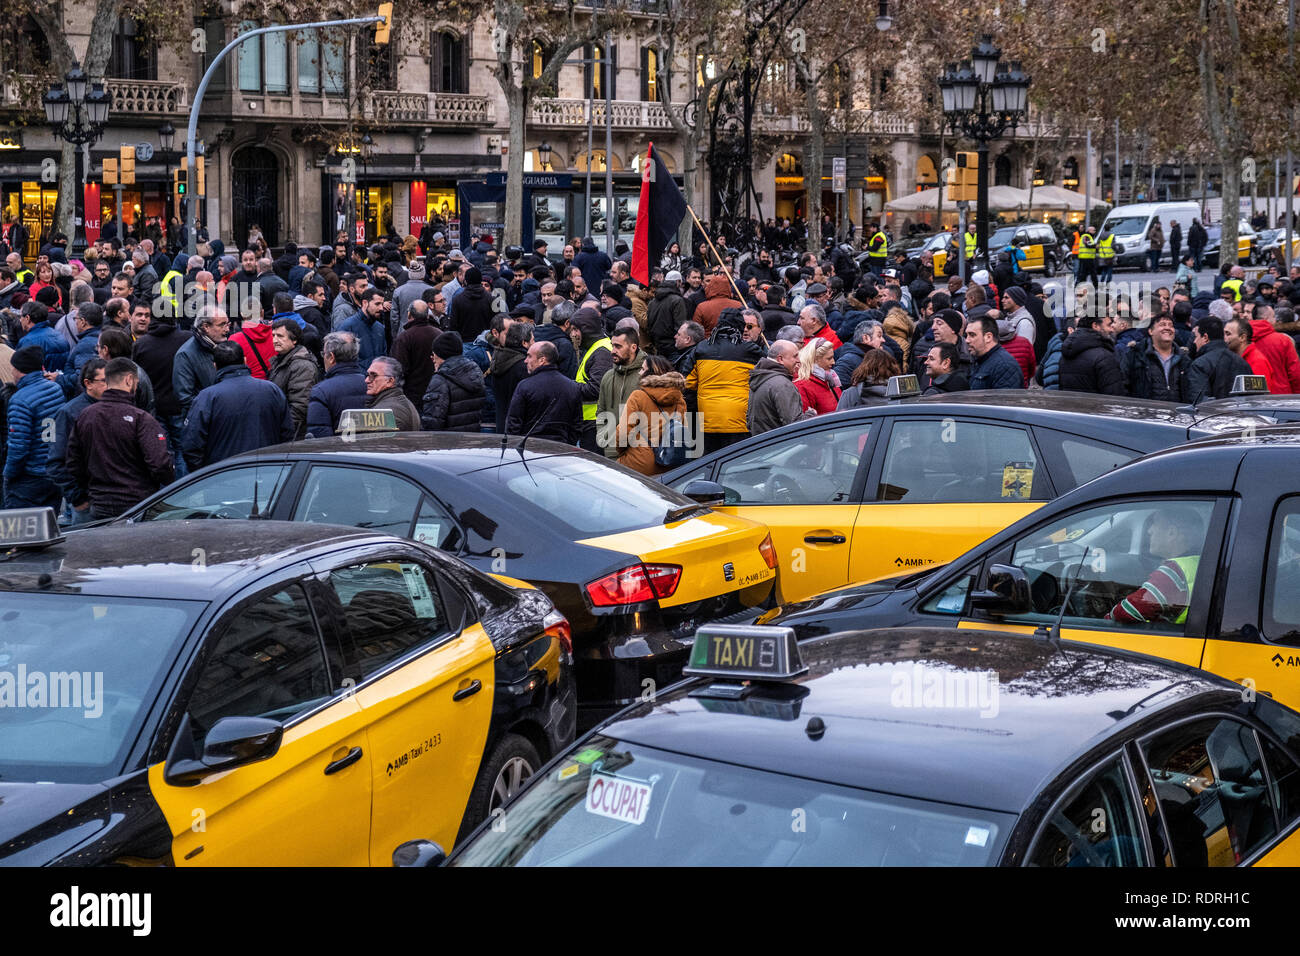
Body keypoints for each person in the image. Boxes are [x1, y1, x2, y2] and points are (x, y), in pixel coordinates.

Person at [66, 357, 173, 520]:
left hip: (100, 505)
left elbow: (74, 462)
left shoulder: (86, 416)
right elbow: (160, 464)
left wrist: (89, 489)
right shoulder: (141, 418)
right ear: (129, 380)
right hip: (138, 505)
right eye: (136, 382)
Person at [182, 342, 293, 470]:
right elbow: (287, 432)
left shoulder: (207, 397)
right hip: (267, 472)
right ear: (245, 361)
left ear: (215, 366)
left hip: (223, 476)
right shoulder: (272, 390)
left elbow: (191, 444)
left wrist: (205, 475)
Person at [681, 310, 764, 453]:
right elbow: (764, 378)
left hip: (706, 421)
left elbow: (687, 383)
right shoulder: (751, 350)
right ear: (740, 327)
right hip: (739, 421)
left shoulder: (701, 348)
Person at [1107, 508, 1205, 626]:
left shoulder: (1173, 572)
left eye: (1155, 523)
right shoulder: (1199, 563)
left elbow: (1129, 611)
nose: (1149, 530)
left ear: (1171, 533)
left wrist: (1106, 620)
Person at [3, 345, 69, 508]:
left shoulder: (20, 400)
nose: (12, 373)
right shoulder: (55, 389)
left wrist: (8, 474)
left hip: (30, 476)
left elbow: (18, 447)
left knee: (21, 528)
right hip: (53, 470)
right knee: (48, 527)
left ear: (21, 370)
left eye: (14, 369)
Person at [47, 359, 107, 525]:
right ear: (88, 383)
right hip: (87, 502)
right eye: (104, 381)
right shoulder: (68, 413)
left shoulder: (117, 406)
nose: (110, 385)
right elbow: (55, 461)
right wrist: (77, 498)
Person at [611, 354, 687, 476]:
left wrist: (623, 453)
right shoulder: (680, 401)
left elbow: (624, 432)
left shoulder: (638, 396)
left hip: (638, 464)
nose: (639, 373)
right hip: (668, 465)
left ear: (651, 374)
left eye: (642, 369)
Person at [505, 340, 583, 443]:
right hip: (561, 450)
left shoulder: (525, 386)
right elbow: (577, 425)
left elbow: (513, 424)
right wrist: (568, 444)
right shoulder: (572, 387)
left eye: (529, 356)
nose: (525, 360)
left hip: (529, 450)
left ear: (542, 360)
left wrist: (515, 448)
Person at [421, 331, 488, 432]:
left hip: (448, 442)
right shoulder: (474, 372)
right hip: (471, 440)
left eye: (434, 354)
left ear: (440, 354)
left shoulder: (440, 379)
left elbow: (433, 421)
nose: (433, 358)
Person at [306, 331, 368, 438]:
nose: (323, 358)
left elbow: (320, 437)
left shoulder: (321, 391)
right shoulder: (371, 384)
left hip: (339, 451)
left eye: (324, 354)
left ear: (331, 357)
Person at [596, 327, 645, 458]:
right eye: (613, 346)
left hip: (640, 452)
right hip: (612, 451)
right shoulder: (608, 376)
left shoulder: (647, 375)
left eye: (618, 346)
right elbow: (601, 411)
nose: (613, 351)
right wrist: (604, 437)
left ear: (633, 348)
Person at [173, 305, 228, 419]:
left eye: (227, 324)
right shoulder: (185, 355)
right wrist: (216, 410)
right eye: (222, 325)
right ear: (206, 327)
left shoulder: (223, 346)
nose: (227, 329)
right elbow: (185, 398)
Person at [268, 318, 320, 438]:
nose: (275, 340)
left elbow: (300, 407)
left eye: (280, 336)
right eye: (273, 335)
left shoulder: (302, 366)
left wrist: (282, 431)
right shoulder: (281, 360)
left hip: (293, 436)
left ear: (294, 340)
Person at [1122, 315, 1190, 402]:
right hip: (1145, 412)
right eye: (1162, 325)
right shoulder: (1135, 355)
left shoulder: (1183, 358)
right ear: (1151, 331)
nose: (1168, 328)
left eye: (1171, 325)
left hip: (1176, 412)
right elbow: (1123, 386)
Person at [1186, 317, 1252, 404]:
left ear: (1205, 337)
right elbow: (1252, 400)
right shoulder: (1242, 363)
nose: (1194, 341)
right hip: (1240, 416)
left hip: (1212, 416)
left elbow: (1200, 403)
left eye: (1196, 336)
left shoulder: (1199, 365)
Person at [1059, 313, 1125, 395]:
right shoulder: (1104, 357)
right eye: (1108, 325)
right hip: (1096, 406)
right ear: (1095, 326)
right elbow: (1114, 395)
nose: (1111, 329)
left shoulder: (1066, 353)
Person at [746, 339, 803, 435]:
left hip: (764, 445)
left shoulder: (760, 377)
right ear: (780, 359)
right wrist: (810, 416)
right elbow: (794, 425)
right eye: (795, 356)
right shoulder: (782, 384)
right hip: (782, 446)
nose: (798, 360)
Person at [488, 320, 533, 432]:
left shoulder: (498, 359)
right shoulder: (524, 366)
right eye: (533, 340)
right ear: (524, 343)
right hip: (518, 428)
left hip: (502, 425)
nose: (534, 343)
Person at [964, 315, 1025, 390]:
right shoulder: (979, 360)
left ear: (988, 337)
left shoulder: (1004, 365)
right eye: (966, 335)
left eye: (972, 335)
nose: (967, 340)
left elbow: (1006, 400)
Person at [363, 356, 420, 431]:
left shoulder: (384, 412)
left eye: (373, 375)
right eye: (367, 375)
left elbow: (378, 442)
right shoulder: (402, 403)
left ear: (390, 381)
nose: (367, 380)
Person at [647, 271, 690, 360]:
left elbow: (649, 324)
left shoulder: (653, 301)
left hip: (657, 346)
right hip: (673, 348)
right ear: (678, 282)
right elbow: (680, 326)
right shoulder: (677, 301)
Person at [794, 339, 840, 415]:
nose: (833, 362)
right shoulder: (802, 386)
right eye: (829, 358)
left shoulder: (830, 378)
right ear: (815, 360)